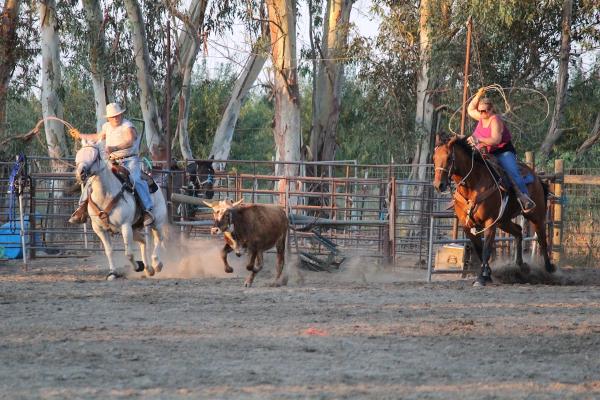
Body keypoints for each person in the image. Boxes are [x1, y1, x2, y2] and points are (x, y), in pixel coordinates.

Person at [69, 103, 154, 226]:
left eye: (118, 115)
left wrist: (114, 147)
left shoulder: (127, 125)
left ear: (121, 114)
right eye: (113, 116)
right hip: (112, 161)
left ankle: (147, 210)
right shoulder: (106, 127)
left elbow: (130, 140)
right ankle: (81, 208)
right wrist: (80, 135)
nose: (116, 118)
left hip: (129, 160)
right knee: (92, 180)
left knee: (135, 179)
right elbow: (96, 137)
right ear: (108, 118)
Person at [466, 88, 536, 213]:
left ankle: (525, 198)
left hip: (502, 151)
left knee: (512, 172)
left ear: (491, 109)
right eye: (480, 111)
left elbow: (496, 140)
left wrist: (477, 139)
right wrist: (478, 95)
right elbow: (470, 109)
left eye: (485, 111)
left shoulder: (495, 120)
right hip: (485, 151)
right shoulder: (482, 116)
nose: (482, 113)